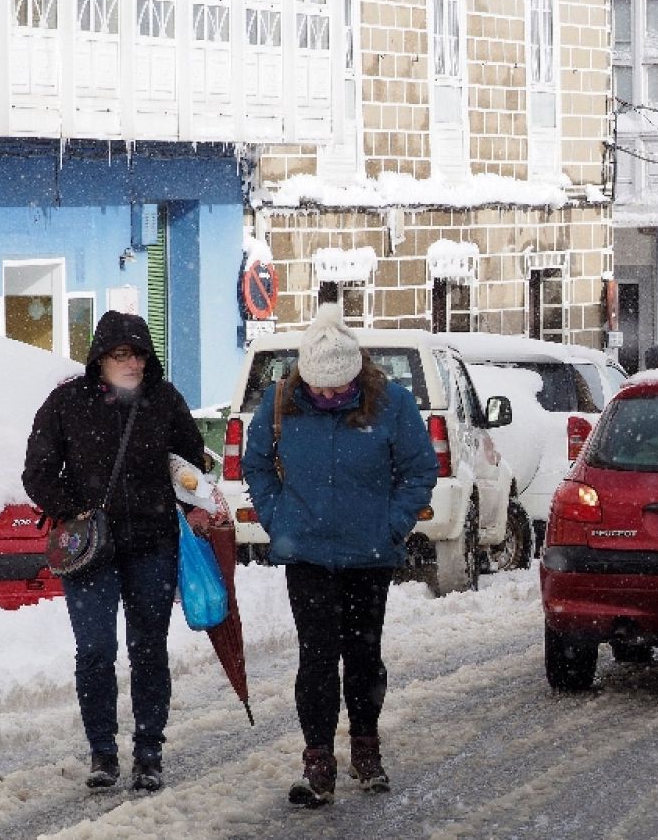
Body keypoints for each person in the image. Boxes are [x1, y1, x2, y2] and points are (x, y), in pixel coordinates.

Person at [241, 304, 438, 809]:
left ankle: (366, 749)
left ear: (358, 374)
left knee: (364, 657)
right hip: (306, 553)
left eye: (338, 388)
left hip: (369, 555)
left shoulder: (392, 403)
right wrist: (279, 520)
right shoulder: (282, 402)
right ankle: (318, 761)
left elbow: (418, 472)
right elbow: (257, 465)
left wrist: (390, 525)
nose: (328, 396)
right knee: (317, 658)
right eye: (319, 387)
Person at [23, 311, 210, 793]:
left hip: (152, 542)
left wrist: (196, 505)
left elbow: (190, 462)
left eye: (139, 354)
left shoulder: (164, 400)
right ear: (100, 360)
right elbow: (37, 472)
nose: (132, 363)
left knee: (149, 649)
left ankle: (149, 752)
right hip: (91, 550)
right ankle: (102, 752)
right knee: (96, 650)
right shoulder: (67, 403)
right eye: (120, 354)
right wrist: (76, 510)